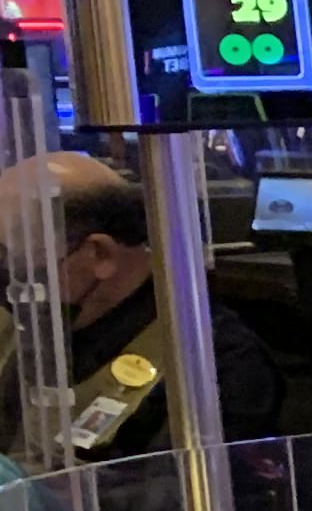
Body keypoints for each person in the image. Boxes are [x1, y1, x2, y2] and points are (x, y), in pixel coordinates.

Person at [0, 157, 279, 468]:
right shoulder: (28, 330)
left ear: (100, 255)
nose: (7, 273)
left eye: (9, 256)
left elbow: (176, 502)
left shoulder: (210, 363)